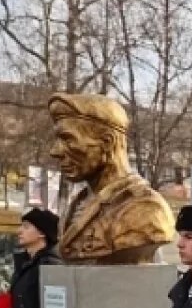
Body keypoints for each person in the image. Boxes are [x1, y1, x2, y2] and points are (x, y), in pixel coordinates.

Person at [47, 94, 174, 264]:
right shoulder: (78, 204)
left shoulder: (146, 209)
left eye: (68, 139)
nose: (55, 151)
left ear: (107, 142)